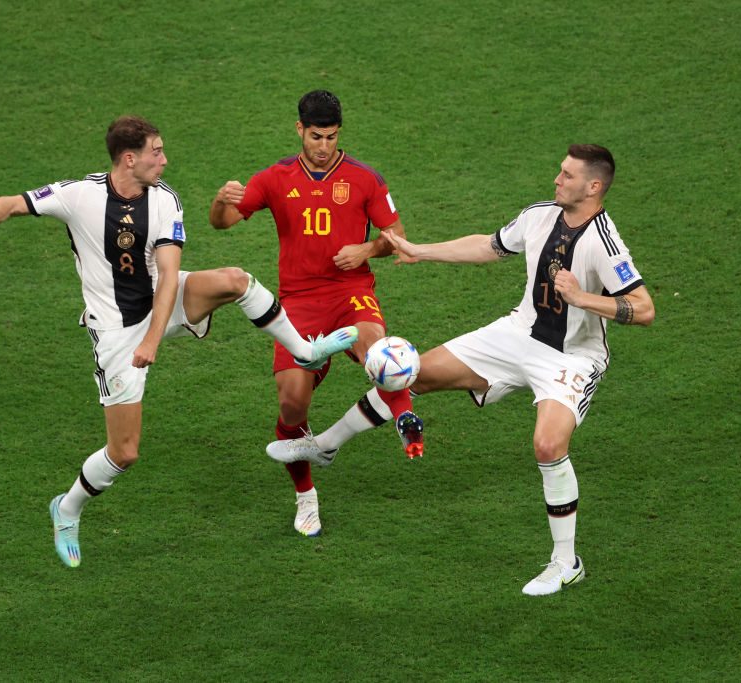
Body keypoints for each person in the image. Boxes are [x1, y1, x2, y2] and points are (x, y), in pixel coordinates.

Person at [0, 115, 358, 568]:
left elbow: (169, 275)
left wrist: (154, 337)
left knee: (234, 280)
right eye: (157, 152)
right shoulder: (79, 195)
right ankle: (66, 509)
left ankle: (305, 350)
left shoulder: (164, 198)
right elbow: (12, 203)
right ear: (130, 159)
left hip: (161, 301)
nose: (165, 160)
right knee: (124, 452)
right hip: (116, 334)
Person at [267, 144, 655, 595]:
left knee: (549, 444)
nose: (556, 179)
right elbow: (489, 247)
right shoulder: (540, 215)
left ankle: (566, 562)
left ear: (593, 187)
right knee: (411, 374)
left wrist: (582, 298)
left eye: (567, 175)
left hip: (571, 358)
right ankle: (325, 446)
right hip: (519, 334)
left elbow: (644, 309)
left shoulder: (604, 241)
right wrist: (419, 251)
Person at [209, 90, 423, 538]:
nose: (323, 147)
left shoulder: (364, 178)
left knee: (378, 350)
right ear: (299, 130)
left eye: (331, 137)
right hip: (299, 302)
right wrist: (221, 199)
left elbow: (397, 237)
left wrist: (367, 249)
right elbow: (222, 222)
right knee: (292, 405)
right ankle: (306, 494)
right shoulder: (275, 178)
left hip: (350, 291)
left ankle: (406, 418)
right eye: (315, 137)